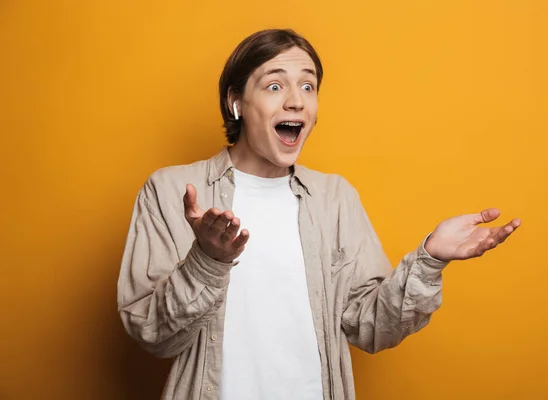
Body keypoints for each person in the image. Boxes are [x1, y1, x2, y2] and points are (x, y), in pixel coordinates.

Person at [117, 28, 521, 400]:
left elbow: (370, 327)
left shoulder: (335, 198)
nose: (296, 99)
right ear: (235, 100)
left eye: (308, 86)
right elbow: (153, 335)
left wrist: (429, 260)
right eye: (275, 85)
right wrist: (206, 261)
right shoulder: (171, 191)